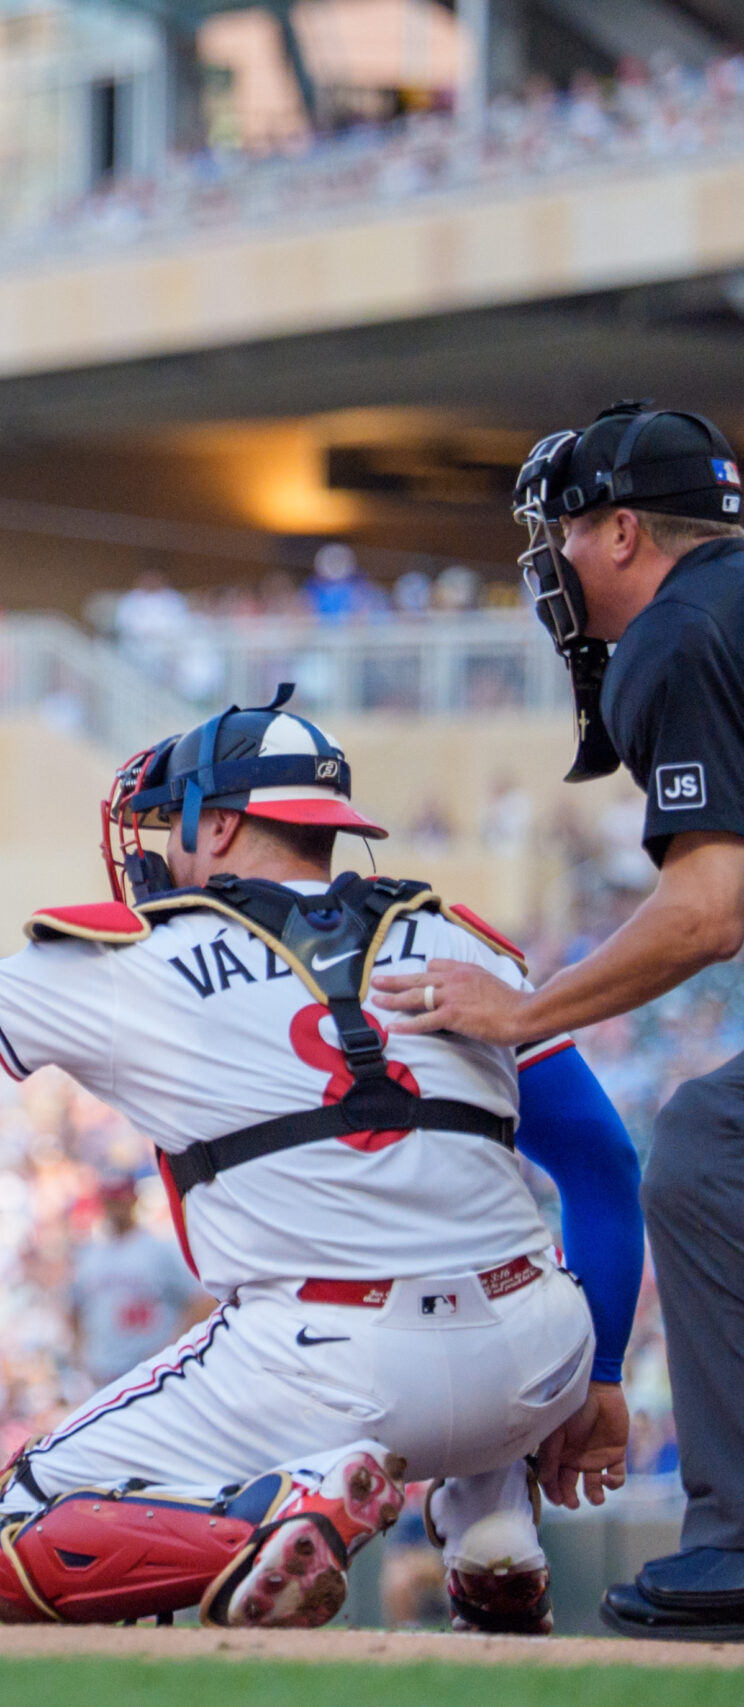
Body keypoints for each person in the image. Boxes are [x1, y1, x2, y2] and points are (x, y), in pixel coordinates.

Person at [0, 692, 642, 1631]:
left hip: (330, 1372)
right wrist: (601, 1372)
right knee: (462, 1221)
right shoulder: (465, 943)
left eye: (173, 824)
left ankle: (276, 1514)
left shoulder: (142, 960)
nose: (159, 848)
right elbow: (604, 1163)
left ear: (226, 821)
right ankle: (491, 1520)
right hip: (538, 1363)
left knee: (1, 1534)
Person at [381, 403, 744, 1639]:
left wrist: (527, 1007)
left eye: (565, 535)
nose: (552, 564)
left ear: (626, 531)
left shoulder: (678, 634)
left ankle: (737, 1543)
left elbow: (706, 912)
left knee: (707, 1146)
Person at [68, 1175, 209, 1391]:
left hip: (152, 1371)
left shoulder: (160, 1248)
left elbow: (201, 1302)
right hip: (104, 1370)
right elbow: (74, 1308)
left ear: (133, 1201)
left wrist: (173, 1347)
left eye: (121, 1202)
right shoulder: (90, 1254)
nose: (117, 1209)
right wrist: (81, 1352)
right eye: (111, 1202)